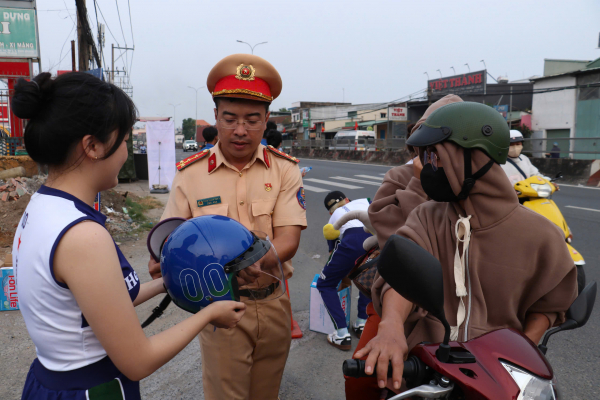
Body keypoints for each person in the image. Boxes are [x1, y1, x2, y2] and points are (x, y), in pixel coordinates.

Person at [12, 72, 245, 400]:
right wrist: (210, 313)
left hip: (48, 380)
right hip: (91, 388)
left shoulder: (42, 207)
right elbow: (138, 361)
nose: (126, 152)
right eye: (123, 141)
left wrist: (169, 281)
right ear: (92, 146)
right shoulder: (83, 236)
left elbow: (101, 300)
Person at [357, 101, 578, 393]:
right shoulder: (427, 217)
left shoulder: (541, 234)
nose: (429, 165)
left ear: (476, 157)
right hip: (429, 368)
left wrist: (524, 351)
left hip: (498, 381)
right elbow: (403, 277)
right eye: (427, 156)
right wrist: (392, 326)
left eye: (438, 156)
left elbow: (548, 306)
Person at [147, 53, 307, 400]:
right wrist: (165, 263)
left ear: (266, 120)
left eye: (252, 119)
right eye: (230, 118)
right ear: (216, 117)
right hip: (220, 310)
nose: (240, 130)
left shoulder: (284, 170)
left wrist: (256, 262)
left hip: (274, 302)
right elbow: (168, 240)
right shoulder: (190, 174)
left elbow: (289, 237)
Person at [344, 94, 463, 399]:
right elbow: (393, 233)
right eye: (426, 149)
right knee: (363, 379)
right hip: (399, 292)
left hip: (460, 301)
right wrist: (421, 182)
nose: (435, 156)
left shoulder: (476, 180)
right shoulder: (401, 176)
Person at [318, 191, 372, 350]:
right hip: (377, 239)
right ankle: (362, 323)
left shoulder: (332, 219)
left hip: (352, 241)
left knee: (325, 284)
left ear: (330, 211)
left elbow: (333, 254)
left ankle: (341, 334)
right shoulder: (365, 200)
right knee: (367, 277)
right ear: (348, 199)